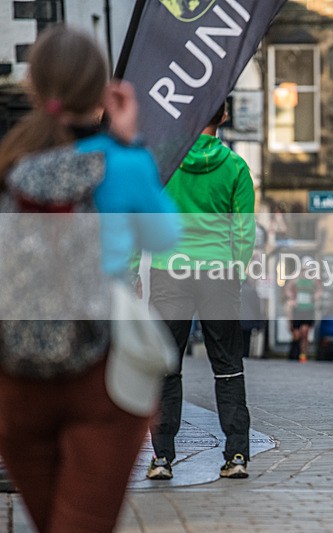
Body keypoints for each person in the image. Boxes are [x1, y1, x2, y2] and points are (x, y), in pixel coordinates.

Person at [0, 26, 180, 533]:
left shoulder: (11, 161)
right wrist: (131, 142)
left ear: (33, 89)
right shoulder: (122, 164)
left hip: (17, 370)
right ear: (102, 93)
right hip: (103, 368)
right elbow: (166, 236)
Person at [144, 101, 256, 480]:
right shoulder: (236, 166)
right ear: (223, 117)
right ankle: (237, 454)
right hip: (218, 272)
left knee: (166, 365)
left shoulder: (164, 162)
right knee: (227, 366)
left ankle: (162, 458)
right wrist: (236, 271)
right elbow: (243, 229)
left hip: (169, 271)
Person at [284, 256, 322, 363]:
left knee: (305, 332)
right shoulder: (296, 279)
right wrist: (291, 297)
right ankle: (293, 353)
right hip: (298, 309)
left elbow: (320, 291)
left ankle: (303, 354)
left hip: (308, 309)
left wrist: (316, 296)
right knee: (296, 334)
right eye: (305, 269)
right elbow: (287, 288)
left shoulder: (314, 280)